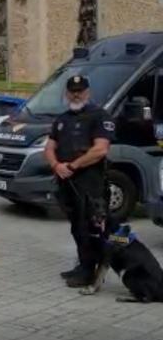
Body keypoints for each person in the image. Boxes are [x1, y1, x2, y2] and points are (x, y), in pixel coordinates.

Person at [44, 75, 114, 288]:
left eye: (80, 90)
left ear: (88, 92)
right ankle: (83, 264)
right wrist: (56, 166)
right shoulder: (62, 119)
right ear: (66, 93)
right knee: (76, 226)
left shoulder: (99, 116)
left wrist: (73, 166)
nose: (76, 94)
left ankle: (90, 272)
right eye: (72, 90)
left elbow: (101, 149)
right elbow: (49, 147)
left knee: (89, 227)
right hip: (66, 181)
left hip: (89, 182)